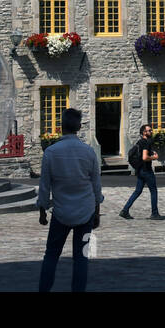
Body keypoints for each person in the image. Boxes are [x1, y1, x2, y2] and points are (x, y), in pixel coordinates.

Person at [37, 108, 102, 292]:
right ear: (79, 127)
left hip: (61, 212)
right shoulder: (89, 152)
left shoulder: (51, 152)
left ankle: (44, 289)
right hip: (85, 211)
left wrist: (42, 210)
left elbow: (44, 185)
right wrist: (97, 212)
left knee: (51, 255)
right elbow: (96, 185)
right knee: (81, 257)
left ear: (61, 127)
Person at [119, 124, 161, 220]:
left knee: (138, 191)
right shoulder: (145, 143)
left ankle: (125, 210)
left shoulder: (139, 142)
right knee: (153, 191)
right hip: (146, 170)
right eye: (149, 130)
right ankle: (154, 213)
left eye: (151, 130)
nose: (151, 132)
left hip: (140, 170)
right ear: (144, 132)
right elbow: (144, 157)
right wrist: (154, 157)